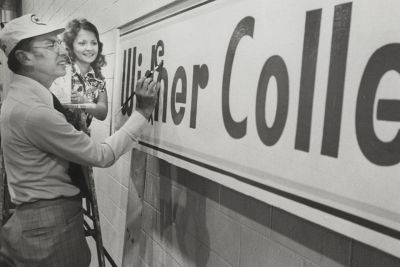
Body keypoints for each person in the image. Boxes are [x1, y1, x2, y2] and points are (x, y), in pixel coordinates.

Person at [0, 14, 159, 267]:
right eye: (52, 45)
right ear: (24, 58)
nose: (64, 49)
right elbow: (100, 152)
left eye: (92, 43)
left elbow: (102, 111)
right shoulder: (36, 107)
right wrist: (141, 113)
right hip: (49, 228)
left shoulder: (64, 87)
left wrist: (74, 108)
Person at [51, 18, 108, 133]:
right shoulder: (62, 73)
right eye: (82, 43)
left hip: (81, 141)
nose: (89, 48)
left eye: (94, 43)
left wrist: (84, 102)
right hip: (58, 140)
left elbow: (102, 113)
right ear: (71, 46)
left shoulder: (97, 78)